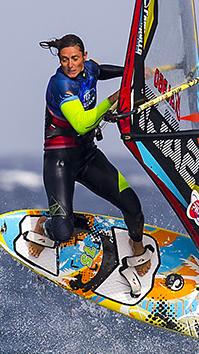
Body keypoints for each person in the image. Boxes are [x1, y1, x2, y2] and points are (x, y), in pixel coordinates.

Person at [35, 34, 152, 276]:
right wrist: (113, 98)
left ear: (84, 57)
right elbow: (82, 124)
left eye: (75, 59)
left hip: (87, 156)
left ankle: (137, 248)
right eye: (64, 60)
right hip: (60, 161)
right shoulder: (61, 85)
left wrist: (132, 73)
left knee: (133, 206)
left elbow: (100, 71)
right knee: (63, 232)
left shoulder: (88, 69)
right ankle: (43, 225)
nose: (70, 65)